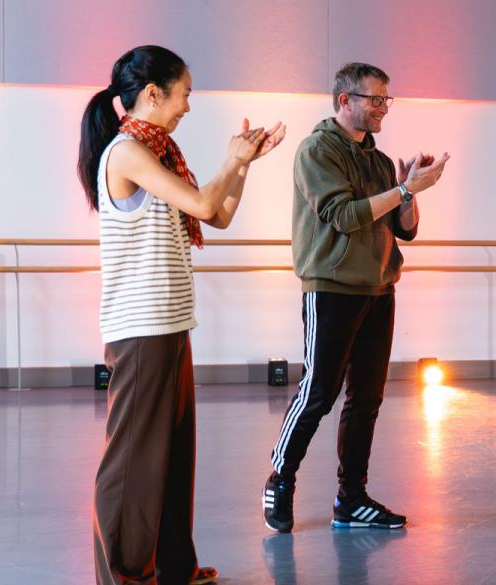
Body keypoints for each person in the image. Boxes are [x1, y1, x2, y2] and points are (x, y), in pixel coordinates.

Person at [78, 44, 285, 585]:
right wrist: (233, 160)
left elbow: (216, 213)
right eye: (184, 93)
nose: (188, 105)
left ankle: (173, 567)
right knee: (132, 461)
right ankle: (122, 574)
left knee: (171, 458)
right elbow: (200, 205)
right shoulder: (126, 153)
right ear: (153, 93)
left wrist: (244, 166)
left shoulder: (161, 153)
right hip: (141, 329)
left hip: (169, 324)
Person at [262, 62, 449, 534]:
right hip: (330, 287)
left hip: (379, 287)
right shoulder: (317, 149)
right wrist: (403, 188)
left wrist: (408, 192)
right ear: (345, 100)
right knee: (319, 391)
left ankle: (352, 498)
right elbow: (343, 216)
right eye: (375, 99)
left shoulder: (380, 160)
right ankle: (280, 478)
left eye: (387, 99)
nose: (384, 108)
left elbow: (405, 230)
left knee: (366, 398)